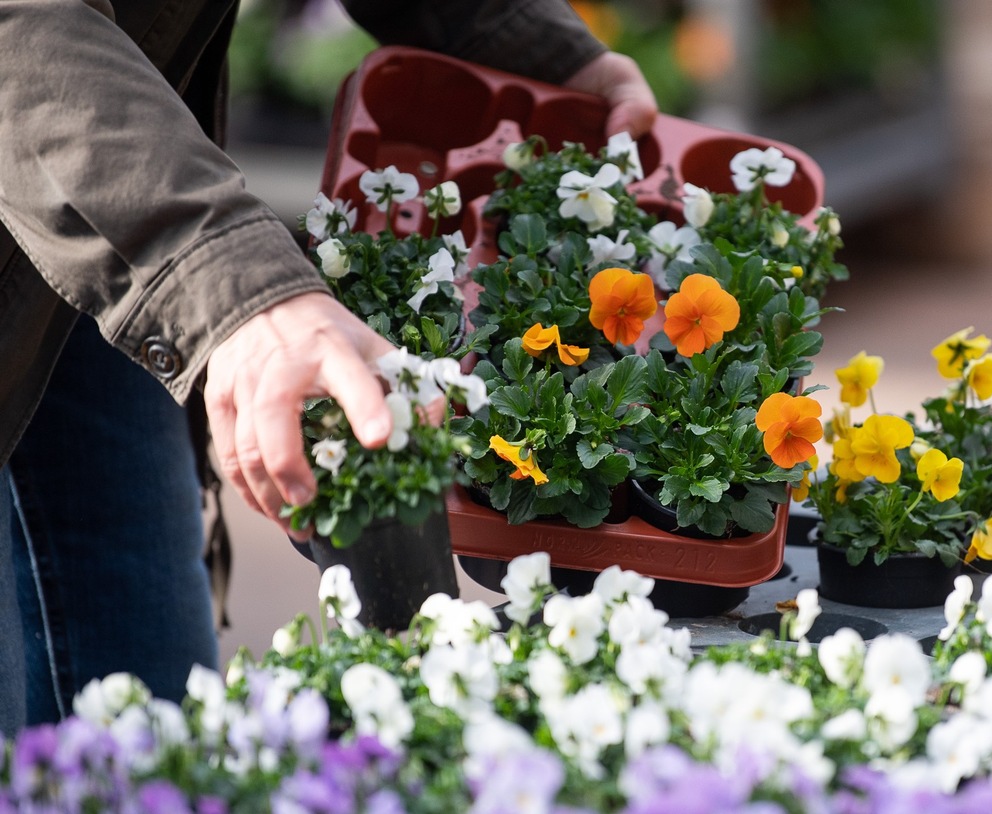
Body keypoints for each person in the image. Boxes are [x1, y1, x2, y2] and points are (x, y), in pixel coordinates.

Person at [0, 0, 657, 734]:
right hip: (59, 122)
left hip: (103, 153)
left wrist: (515, 39)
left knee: (143, 715)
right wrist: (230, 281)